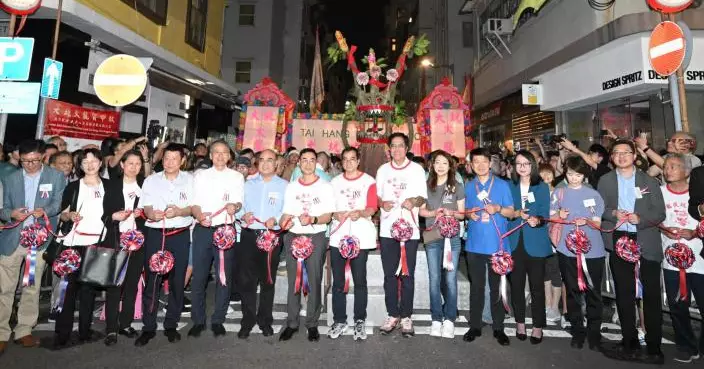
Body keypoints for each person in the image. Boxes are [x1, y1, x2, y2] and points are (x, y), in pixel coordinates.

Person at [597, 139, 666, 364]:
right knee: (624, 293)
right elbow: (599, 209)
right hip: (619, 239)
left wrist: (641, 219)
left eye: (626, 152)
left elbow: (660, 213)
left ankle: (655, 347)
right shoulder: (605, 180)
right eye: (616, 153)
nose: (621, 156)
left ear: (635, 155)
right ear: (611, 157)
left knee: (652, 295)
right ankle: (630, 342)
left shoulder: (649, 181)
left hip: (645, 240)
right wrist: (612, 213)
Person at [0, 140, 65, 355]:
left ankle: (24, 330)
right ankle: (1, 333)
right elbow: (2, 207)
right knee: (4, 288)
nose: (30, 165)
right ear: (19, 158)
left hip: (39, 239)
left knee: (32, 286)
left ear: (43, 157)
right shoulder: (9, 178)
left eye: (35, 161)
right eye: (25, 161)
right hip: (12, 238)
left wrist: (44, 211)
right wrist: (10, 214)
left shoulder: (55, 177)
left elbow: (58, 204)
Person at [135, 144, 194, 346]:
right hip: (156, 234)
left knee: (178, 281)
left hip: (179, 235)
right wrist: (151, 214)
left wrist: (179, 212)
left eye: (174, 159)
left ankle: (171, 324)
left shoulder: (191, 180)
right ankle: (148, 327)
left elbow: (193, 208)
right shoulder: (151, 180)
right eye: (166, 158)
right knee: (152, 280)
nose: (169, 162)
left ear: (182, 161)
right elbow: (146, 207)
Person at [53, 148, 108, 349]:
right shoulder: (74, 187)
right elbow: (62, 214)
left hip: (97, 244)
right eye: (85, 162)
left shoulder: (110, 186)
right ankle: (62, 333)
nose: (90, 165)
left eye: (94, 161)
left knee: (88, 290)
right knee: (67, 290)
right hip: (74, 244)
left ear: (101, 163)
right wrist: (70, 215)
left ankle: (85, 330)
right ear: (80, 165)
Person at [278, 148, 335, 342]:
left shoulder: (325, 187)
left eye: (312, 160)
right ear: (299, 163)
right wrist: (282, 222)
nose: (308, 163)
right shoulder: (292, 187)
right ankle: (292, 323)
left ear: (316, 164)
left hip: (316, 237)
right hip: (293, 236)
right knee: (294, 280)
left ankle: (312, 323)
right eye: (304, 160)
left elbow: (328, 216)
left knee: (314, 280)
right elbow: (285, 213)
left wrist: (313, 219)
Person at [189, 140, 244, 338]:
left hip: (225, 230)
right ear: (210, 156)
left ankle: (218, 319)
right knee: (200, 277)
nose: (220, 156)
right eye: (216, 152)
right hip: (203, 229)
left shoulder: (237, 176)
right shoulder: (200, 175)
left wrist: (235, 207)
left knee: (223, 277)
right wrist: (198, 216)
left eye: (224, 153)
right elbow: (194, 203)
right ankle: (198, 320)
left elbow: (238, 201)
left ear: (229, 156)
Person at [550, 155, 606, 351]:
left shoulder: (593, 194)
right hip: (567, 249)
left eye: (578, 175)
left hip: (593, 251)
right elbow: (551, 218)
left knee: (593, 292)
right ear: (566, 173)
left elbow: (598, 223)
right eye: (571, 174)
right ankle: (577, 330)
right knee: (572, 291)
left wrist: (587, 221)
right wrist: (559, 215)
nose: (574, 178)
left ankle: (594, 332)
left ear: (584, 175)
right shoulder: (559, 193)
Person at [376, 133, 427, 337]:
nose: (396, 149)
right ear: (389, 149)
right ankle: (392, 314)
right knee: (389, 275)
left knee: (407, 275)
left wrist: (413, 201)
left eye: (400, 146)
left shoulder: (417, 169)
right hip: (388, 229)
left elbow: (422, 197)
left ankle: (406, 315)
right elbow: (377, 197)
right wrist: (382, 204)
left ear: (407, 148)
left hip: (409, 230)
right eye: (393, 146)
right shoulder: (382, 170)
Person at [463, 147, 514, 346]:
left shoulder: (502, 185)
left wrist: (498, 209)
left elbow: (511, 212)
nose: (480, 165)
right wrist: (469, 214)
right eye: (476, 162)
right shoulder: (469, 186)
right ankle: (475, 325)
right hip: (475, 245)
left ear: (490, 163)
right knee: (476, 287)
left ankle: (498, 327)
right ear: (471, 165)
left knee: (497, 288)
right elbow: (464, 210)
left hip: (497, 244)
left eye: (484, 161)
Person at [327, 147, 377, 340]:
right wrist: (334, 214)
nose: (348, 163)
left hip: (360, 238)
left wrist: (362, 213)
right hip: (338, 237)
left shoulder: (368, 181)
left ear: (358, 161)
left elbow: (372, 207)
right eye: (345, 160)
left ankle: (359, 320)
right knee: (339, 281)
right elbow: (328, 208)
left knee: (360, 281)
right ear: (341, 162)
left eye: (352, 159)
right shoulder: (334, 182)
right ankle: (339, 320)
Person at [238, 149, 287, 338]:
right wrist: (243, 214)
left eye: (270, 160)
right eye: (262, 160)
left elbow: (287, 210)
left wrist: (275, 219)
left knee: (267, 280)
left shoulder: (284, 185)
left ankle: (265, 320)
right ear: (257, 163)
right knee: (247, 281)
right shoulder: (247, 184)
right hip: (249, 235)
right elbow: (238, 206)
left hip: (271, 237)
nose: (266, 163)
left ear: (276, 164)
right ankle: (247, 320)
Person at [659, 154, 704, 363]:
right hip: (671, 259)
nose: (668, 170)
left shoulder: (698, 194)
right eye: (666, 166)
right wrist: (664, 229)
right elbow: (651, 218)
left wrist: (694, 232)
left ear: (687, 171)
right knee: (678, 307)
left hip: (700, 260)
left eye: (674, 166)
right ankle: (686, 346)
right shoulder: (659, 193)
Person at [102, 150, 147, 346]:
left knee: (132, 285)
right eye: (130, 163)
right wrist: (114, 216)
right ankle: (111, 329)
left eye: (138, 163)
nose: (134, 167)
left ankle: (125, 324)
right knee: (114, 286)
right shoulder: (111, 186)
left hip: (138, 241)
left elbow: (150, 213)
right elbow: (103, 214)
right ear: (122, 165)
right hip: (116, 240)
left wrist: (142, 214)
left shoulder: (145, 187)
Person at [507, 150, 552, 344]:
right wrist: (515, 214)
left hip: (536, 243)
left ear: (533, 165)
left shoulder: (541, 187)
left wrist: (537, 220)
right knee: (516, 286)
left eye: (526, 163)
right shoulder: (510, 186)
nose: (522, 167)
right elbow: (506, 212)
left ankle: (538, 326)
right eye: (519, 164)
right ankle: (520, 323)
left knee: (537, 288)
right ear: (514, 167)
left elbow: (545, 214)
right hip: (514, 242)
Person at [418, 150, 465, 338]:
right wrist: (434, 213)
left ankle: (450, 319)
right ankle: (436, 318)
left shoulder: (457, 186)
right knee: (434, 279)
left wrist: (450, 213)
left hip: (452, 237)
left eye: (444, 163)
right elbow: (421, 212)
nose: (440, 166)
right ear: (432, 165)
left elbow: (462, 214)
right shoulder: (426, 186)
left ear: (450, 165)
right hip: (431, 235)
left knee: (450, 280)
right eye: (437, 162)